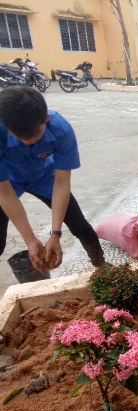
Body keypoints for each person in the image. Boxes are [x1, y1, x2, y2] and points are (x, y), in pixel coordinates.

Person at [0, 86, 106, 274]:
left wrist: (55, 233)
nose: (28, 142)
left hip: (45, 178)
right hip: (8, 179)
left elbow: (62, 182)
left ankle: (101, 265)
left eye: (34, 136)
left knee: (80, 226)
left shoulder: (61, 130)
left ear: (46, 119)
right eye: (20, 138)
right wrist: (30, 240)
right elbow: (5, 192)